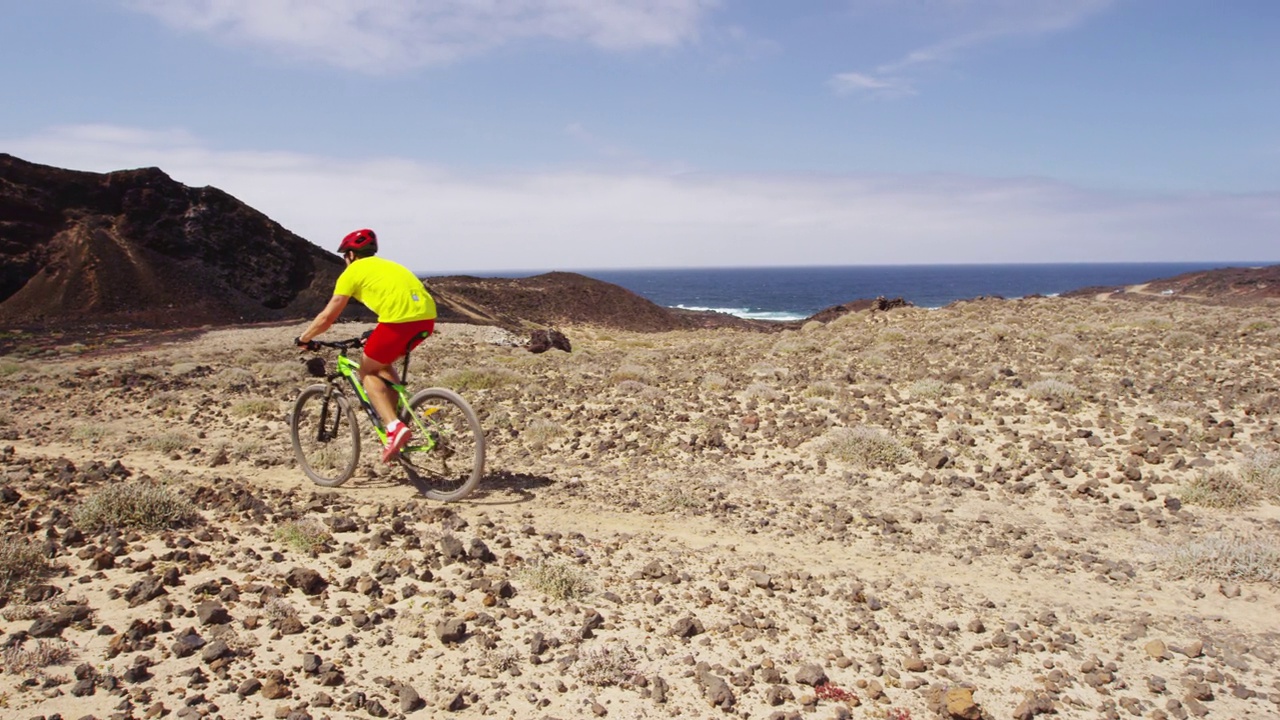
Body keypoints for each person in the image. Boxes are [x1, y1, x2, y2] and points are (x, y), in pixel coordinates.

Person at [296, 229, 437, 462]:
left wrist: (305, 338)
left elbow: (327, 318)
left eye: (345, 256)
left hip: (397, 322)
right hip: (426, 320)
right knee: (382, 364)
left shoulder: (352, 273)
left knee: (367, 370)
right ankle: (397, 423)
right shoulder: (391, 266)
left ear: (351, 254)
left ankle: (393, 427)